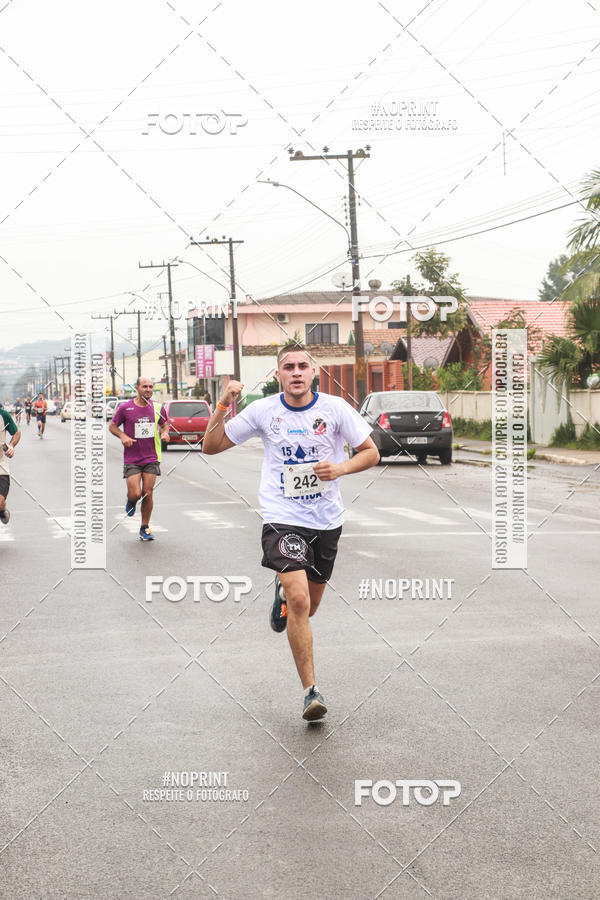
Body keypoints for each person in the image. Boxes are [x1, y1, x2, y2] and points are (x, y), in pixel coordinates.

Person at [203, 344, 379, 721]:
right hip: (281, 516)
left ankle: (284, 595)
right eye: (288, 367)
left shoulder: (334, 409)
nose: (296, 372)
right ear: (278, 375)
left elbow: (371, 452)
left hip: (326, 520)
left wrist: (342, 469)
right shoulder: (264, 410)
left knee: (309, 607)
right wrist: (222, 405)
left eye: (302, 366)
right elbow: (211, 446)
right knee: (301, 602)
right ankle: (310, 692)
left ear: (313, 373)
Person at [109, 376, 170, 541]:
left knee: (148, 493)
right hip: (132, 458)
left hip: (151, 457)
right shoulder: (125, 408)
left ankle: (145, 527)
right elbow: (112, 426)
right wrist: (122, 436)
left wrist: (164, 433)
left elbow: (165, 424)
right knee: (136, 493)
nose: (148, 389)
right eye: (145, 386)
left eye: (151, 386)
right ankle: (131, 501)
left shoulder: (157, 407)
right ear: (137, 388)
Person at [0, 406, 21, 525]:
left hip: (1, 464)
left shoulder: (3, 415)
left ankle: (2, 509)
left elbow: (17, 432)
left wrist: (11, 446)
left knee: (0, 501)